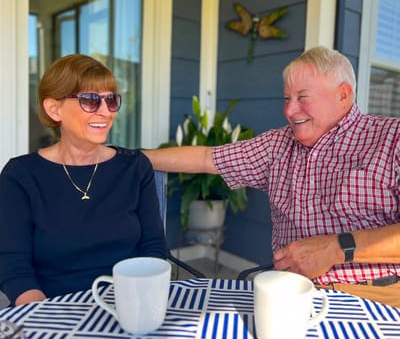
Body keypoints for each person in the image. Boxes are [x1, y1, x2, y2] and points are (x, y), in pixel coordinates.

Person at [143, 46, 400, 307]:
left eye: (302, 97)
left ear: (343, 95)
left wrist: (336, 248)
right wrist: (131, 158)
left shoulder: (392, 139)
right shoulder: (278, 144)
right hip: (289, 293)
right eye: (287, 98)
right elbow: (207, 158)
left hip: (376, 294)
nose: (290, 110)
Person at [0, 54, 167, 306]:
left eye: (111, 100)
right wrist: (39, 311)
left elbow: (153, 247)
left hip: (127, 302)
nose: (105, 111)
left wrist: (139, 298)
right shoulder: (20, 175)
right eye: (90, 100)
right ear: (54, 109)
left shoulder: (134, 167)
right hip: (51, 307)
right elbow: (12, 262)